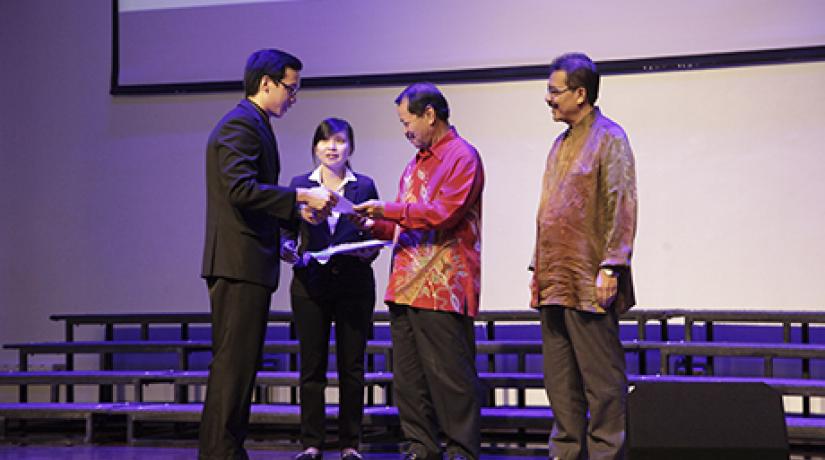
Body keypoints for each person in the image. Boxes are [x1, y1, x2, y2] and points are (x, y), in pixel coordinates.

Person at [199, 48, 336, 460]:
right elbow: (239, 190)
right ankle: (221, 452)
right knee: (233, 367)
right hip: (238, 264)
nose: (293, 98)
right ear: (266, 84)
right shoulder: (241, 126)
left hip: (249, 263)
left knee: (240, 366)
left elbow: (253, 198)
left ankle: (225, 449)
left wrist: (296, 215)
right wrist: (298, 195)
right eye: (290, 89)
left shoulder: (254, 124)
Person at [354, 83, 484, 460]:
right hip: (405, 284)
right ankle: (421, 447)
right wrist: (372, 225)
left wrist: (388, 210)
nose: (405, 130)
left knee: (450, 378)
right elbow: (404, 223)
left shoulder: (463, 157)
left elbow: (444, 214)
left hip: (443, 286)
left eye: (407, 121)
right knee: (409, 380)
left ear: (430, 114)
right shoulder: (414, 165)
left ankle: (461, 450)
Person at [530, 52, 638, 460]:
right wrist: (535, 269)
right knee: (560, 381)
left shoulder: (610, 138)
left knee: (602, 382)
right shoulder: (559, 145)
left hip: (590, 276)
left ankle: (607, 454)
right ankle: (566, 453)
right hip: (554, 278)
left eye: (554, 91)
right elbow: (548, 212)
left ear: (580, 93)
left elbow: (621, 204)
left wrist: (613, 264)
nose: (548, 99)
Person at [280, 118, 380, 460]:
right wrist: (289, 251)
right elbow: (285, 233)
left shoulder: (363, 185)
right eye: (325, 141)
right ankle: (311, 443)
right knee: (312, 367)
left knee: (352, 367)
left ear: (350, 147)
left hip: (354, 283)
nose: (332, 147)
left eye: (339, 141)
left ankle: (350, 444)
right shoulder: (300, 185)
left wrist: (371, 247)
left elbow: (374, 230)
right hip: (310, 284)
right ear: (314, 147)